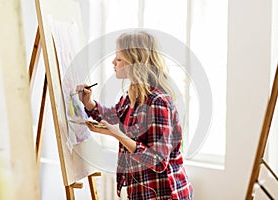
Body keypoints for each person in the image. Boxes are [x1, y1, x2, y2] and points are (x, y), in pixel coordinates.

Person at [77, 31, 193, 200]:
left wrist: (116, 134)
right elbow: (112, 115)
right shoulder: (132, 97)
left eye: (119, 59)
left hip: (165, 194)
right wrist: (89, 103)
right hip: (143, 192)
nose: (113, 62)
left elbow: (158, 161)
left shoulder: (157, 101)